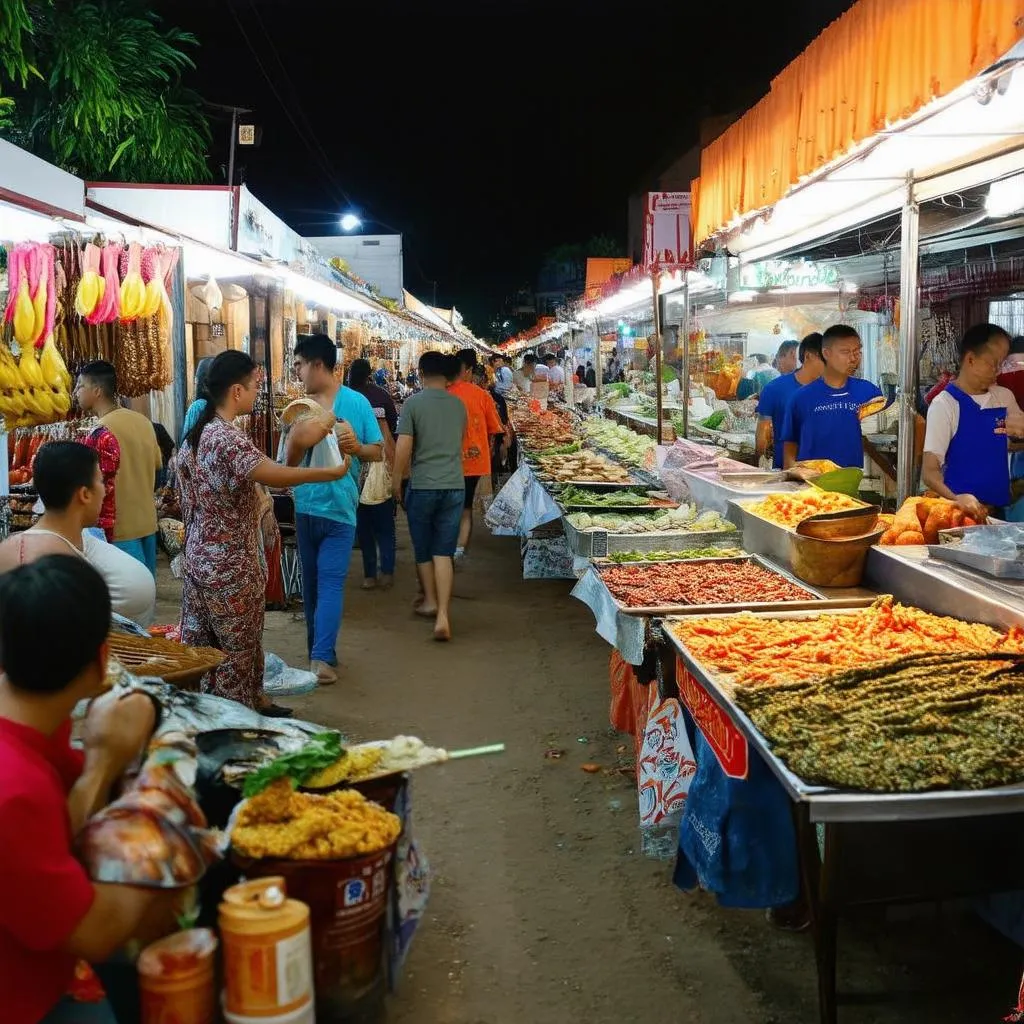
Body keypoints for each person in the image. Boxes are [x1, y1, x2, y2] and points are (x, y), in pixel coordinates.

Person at [0, 555, 168, 1024]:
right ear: (101, 658)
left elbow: (56, 830)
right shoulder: (13, 789)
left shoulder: (26, 716)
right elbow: (94, 931)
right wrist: (139, 777)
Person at [177, 350, 351, 711]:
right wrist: (327, 473)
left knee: (202, 646)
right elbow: (274, 474)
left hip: (198, 557)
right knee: (236, 650)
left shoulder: (199, 432)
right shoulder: (223, 437)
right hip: (228, 565)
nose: (258, 394)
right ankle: (234, 718)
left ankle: (228, 707)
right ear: (236, 391)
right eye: (255, 387)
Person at [286, 335, 383, 683]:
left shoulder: (355, 404)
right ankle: (320, 652)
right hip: (306, 507)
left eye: (299, 364)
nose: (296, 372)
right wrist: (300, 438)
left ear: (317, 364)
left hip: (341, 509)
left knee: (329, 583)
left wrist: (356, 446)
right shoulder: (298, 408)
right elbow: (290, 462)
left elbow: (378, 450)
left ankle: (322, 657)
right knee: (311, 586)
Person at [0, 441, 156, 626]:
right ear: (85, 494)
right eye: (100, 481)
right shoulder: (73, 571)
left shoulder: (6, 550)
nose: (105, 491)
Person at [392, 351, 467, 642]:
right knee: (443, 551)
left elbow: (404, 447)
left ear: (421, 373)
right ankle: (444, 615)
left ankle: (431, 601)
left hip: (423, 485)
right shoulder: (458, 405)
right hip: (454, 485)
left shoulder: (413, 404)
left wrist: (396, 480)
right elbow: (457, 443)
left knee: (424, 550)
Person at [922, 324, 1024, 520]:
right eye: (993, 363)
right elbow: (930, 472)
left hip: (998, 515)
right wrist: (957, 498)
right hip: (958, 517)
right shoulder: (945, 404)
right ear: (970, 359)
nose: (998, 371)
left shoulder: (1003, 397)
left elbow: (1012, 441)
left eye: (1002, 364)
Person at [75, 361, 162, 577]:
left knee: (124, 604)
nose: (75, 392)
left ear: (96, 391)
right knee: (143, 597)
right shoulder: (144, 422)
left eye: (80, 386)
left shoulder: (99, 432)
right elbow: (158, 469)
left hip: (118, 531)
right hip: (148, 525)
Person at [781, 324, 883, 470]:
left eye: (857, 351)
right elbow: (789, 451)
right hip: (813, 487)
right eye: (846, 352)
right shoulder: (801, 398)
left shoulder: (869, 393)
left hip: (859, 485)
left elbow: (880, 444)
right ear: (826, 353)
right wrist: (796, 477)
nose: (854, 358)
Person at [449, 349, 504, 563]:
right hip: (474, 461)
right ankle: (459, 549)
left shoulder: (444, 392)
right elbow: (495, 428)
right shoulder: (482, 395)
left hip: (447, 460)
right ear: (470, 370)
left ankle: (445, 545)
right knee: (465, 506)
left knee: (449, 504)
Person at [348, 358, 398, 591]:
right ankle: (386, 570)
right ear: (369, 374)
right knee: (385, 524)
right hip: (381, 465)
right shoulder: (381, 395)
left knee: (364, 526)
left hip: (353, 468)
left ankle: (370, 575)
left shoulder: (346, 399)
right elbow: (394, 426)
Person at [755, 334, 824, 469]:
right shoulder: (774, 389)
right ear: (809, 356)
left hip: (824, 473)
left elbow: (762, 437)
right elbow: (762, 436)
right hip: (787, 473)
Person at [181, 357, 213, 443]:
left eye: (196, 381)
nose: (195, 384)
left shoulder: (197, 406)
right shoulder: (223, 405)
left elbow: (186, 443)